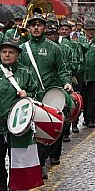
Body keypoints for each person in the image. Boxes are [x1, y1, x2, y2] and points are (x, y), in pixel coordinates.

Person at [19, 13, 73, 177]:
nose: (36, 28)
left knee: (43, 133)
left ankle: (40, 164)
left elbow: (63, 69)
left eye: (39, 25)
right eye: (33, 25)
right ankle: (29, 164)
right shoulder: (21, 49)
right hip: (27, 96)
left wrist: (67, 82)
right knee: (27, 132)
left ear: (44, 27)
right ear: (29, 28)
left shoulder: (54, 48)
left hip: (47, 97)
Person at [0, 40, 39, 191]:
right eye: (4, 52)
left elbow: (36, 94)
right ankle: (2, 178)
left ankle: (13, 187)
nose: (7, 55)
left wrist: (26, 94)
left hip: (17, 124)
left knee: (16, 156)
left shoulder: (25, 72)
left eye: (11, 52)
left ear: (17, 55)